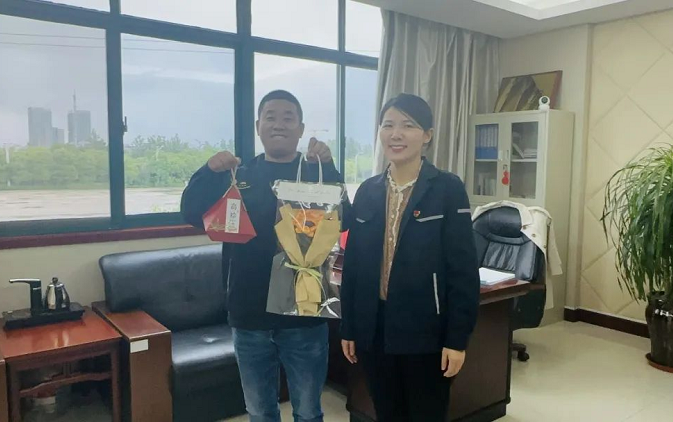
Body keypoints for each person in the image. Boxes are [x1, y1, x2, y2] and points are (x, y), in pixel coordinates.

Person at [181, 90, 348, 422]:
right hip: (249, 315)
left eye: (288, 118)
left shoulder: (314, 173)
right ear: (258, 126)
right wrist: (208, 171)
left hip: (305, 315)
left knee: (309, 412)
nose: (279, 124)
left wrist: (328, 168)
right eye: (270, 117)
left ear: (301, 129)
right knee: (259, 412)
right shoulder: (238, 176)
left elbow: (344, 221)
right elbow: (191, 213)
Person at [339, 93, 480, 422]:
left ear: (427, 135)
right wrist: (349, 327)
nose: (396, 134)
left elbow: (463, 271)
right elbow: (354, 266)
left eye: (408, 125)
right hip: (375, 330)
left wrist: (457, 340)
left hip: (426, 331)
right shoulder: (368, 191)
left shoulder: (447, 189)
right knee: (387, 413)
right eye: (388, 125)